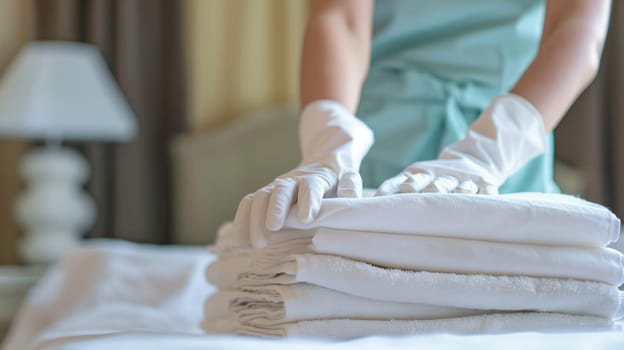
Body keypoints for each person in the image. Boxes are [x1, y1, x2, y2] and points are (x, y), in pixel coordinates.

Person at [237, 0, 611, 236]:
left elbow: (576, 29)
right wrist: (327, 138)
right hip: (375, 152)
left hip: (508, 149)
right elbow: (340, 17)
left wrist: (488, 152)